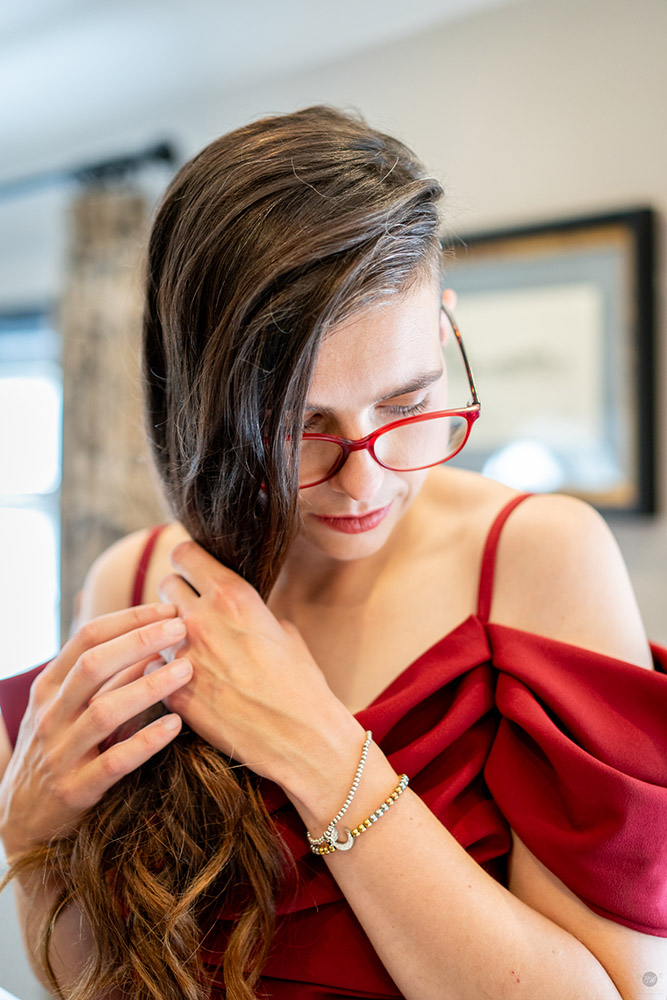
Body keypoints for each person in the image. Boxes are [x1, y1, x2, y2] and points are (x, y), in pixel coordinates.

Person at [0, 105, 666, 1000]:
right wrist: (34, 837)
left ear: (444, 329)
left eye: (403, 405)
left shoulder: (538, 558)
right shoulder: (132, 580)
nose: (363, 483)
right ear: (196, 401)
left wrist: (318, 752)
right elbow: (102, 983)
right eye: (298, 426)